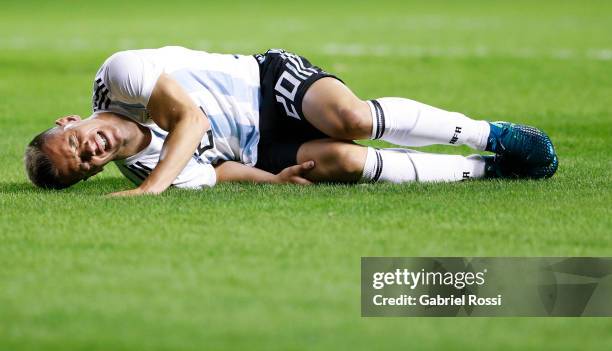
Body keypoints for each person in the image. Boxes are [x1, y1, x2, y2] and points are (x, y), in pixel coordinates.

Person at [24, 46, 558, 196]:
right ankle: (488, 171)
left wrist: (153, 190)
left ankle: (502, 136)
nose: (90, 149)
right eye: (85, 164)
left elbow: (189, 117)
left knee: (348, 118)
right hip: (257, 150)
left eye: (75, 141)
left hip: (264, 85)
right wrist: (271, 181)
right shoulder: (142, 169)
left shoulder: (118, 76)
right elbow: (218, 173)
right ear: (94, 173)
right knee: (341, 161)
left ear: (70, 119)